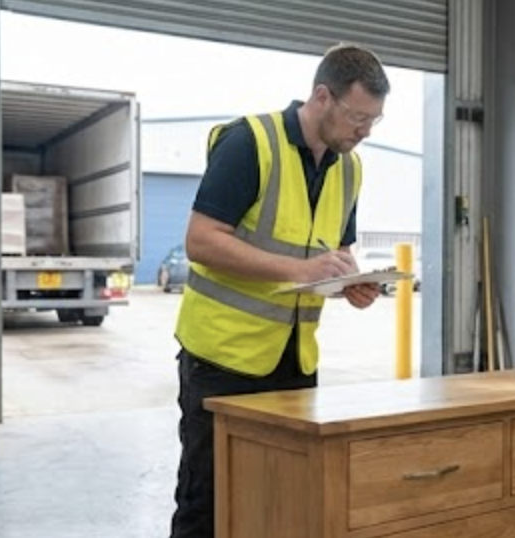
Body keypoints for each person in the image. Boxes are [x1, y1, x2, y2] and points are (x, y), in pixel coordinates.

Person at [169, 44, 390, 538]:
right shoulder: (250, 142)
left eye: (374, 122)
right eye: (358, 118)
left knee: (284, 501)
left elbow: (332, 252)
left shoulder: (349, 167)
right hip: (222, 360)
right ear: (322, 97)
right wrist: (300, 270)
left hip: (294, 363)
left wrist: (348, 281)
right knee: (208, 506)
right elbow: (200, 242)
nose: (364, 132)